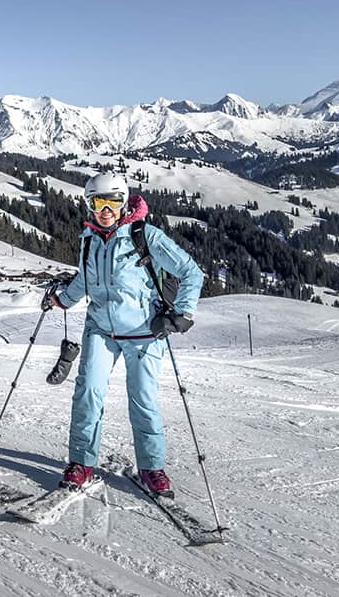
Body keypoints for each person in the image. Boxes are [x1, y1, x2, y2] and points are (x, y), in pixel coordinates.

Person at [45, 173, 203, 494]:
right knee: (88, 393)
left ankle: (151, 467)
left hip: (144, 333)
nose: (105, 209)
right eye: (97, 202)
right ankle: (81, 462)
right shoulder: (88, 238)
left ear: (123, 201)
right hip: (100, 330)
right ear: (89, 205)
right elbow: (84, 280)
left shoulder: (145, 235)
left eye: (112, 202)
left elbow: (190, 271)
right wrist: (62, 299)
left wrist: (182, 313)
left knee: (143, 399)